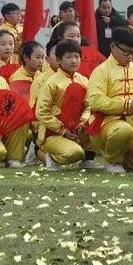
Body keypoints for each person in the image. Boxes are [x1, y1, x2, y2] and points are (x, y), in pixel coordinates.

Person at [86, 27, 133, 174]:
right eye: (126, 51)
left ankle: (126, 157)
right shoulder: (101, 70)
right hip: (106, 124)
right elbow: (96, 101)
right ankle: (113, 160)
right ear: (112, 47)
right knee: (123, 130)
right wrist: (127, 105)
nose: (130, 56)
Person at [35, 40, 91, 171]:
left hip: (77, 129)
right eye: (68, 57)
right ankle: (47, 156)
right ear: (58, 60)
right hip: (53, 133)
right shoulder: (52, 82)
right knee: (75, 153)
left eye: (76, 56)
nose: (73, 61)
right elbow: (41, 112)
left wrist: (83, 122)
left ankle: (89, 159)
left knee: (99, 128)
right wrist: (62, 130)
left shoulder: (84, 80)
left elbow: (90, 106)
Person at [29, 40, 60, 108]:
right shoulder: (39, 81)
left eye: (64, 54)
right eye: (56, 54)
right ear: (47, 59)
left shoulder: (80, 79)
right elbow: (35, 108)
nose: (60, 57)